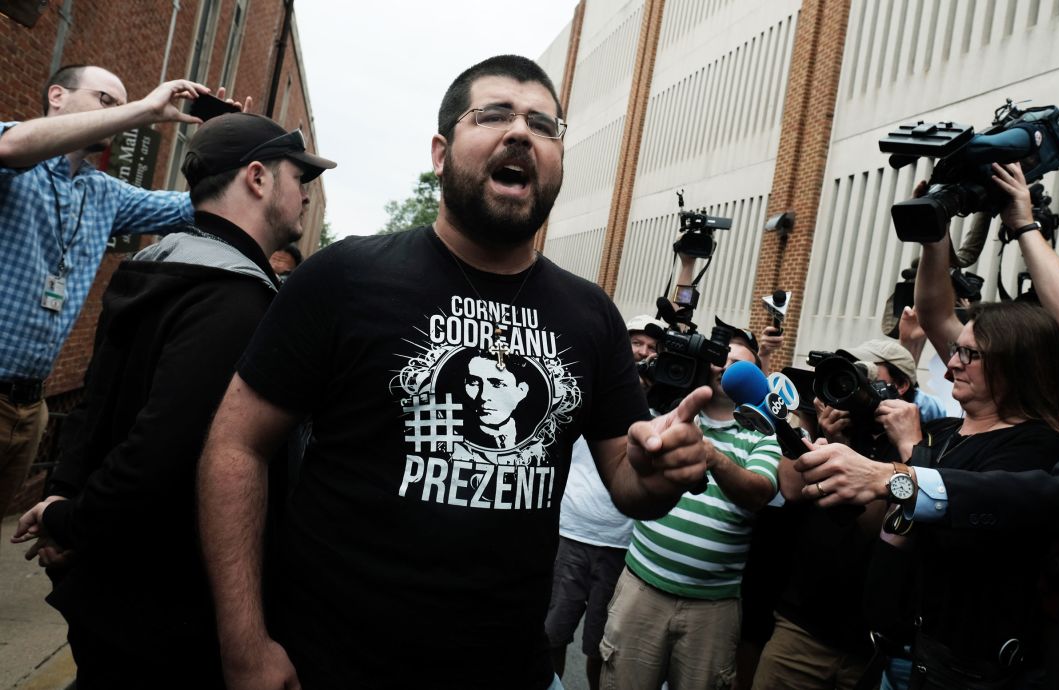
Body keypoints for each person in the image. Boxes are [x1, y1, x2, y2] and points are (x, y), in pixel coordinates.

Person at [196, 55, 712, 690]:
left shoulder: (591, 315)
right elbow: (236, 445)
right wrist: (244, 643)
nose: (520, 131)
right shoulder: (344, 278)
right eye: (492, 114)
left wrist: (663, 471)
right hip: (331, 664)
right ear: (440, 153)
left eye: (543, 125)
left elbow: (630, 482)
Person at [10, 112, 335, 690]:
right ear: (257, 178)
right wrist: (68, 518)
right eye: (298, 177)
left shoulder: (155, 267)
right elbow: (161, 453)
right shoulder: (235, 303)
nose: (305, 196)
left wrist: (66, 500)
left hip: (112, 602)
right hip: (163, 620)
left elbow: (90, 408)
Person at [0, 64, 226, 540]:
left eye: (120, 105)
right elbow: (11, 147)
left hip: (30, 407)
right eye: (107, 100)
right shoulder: (13, 150)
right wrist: (143, 109)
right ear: (57, 96)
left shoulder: (103, 192)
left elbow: (200, 209)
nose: (118, 113)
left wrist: (228, 144)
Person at [796, 299, 1059, 689]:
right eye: (956, 350)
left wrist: (910, 450)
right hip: (893, 652)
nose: (953, 364)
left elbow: (958, 533)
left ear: (1015, 363)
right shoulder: (941, 431)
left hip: (960, 670)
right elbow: (889, 529)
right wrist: (839, 469)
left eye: (969, 354)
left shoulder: (1037, 448)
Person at [600, 339, 782, 690]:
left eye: (739, 365)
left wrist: (711, 456)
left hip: (713, 608)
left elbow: (759, 491)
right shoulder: (667, 413)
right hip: (642, 588)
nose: (725, 368)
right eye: (721, 359)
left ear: (754, 379)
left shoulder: (763, 434)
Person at [546, 314, 659, 690]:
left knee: (601, 648)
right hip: (571, 536)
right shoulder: (594, 385)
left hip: (619, 545)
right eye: (636, 341)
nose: (642, 351)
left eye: (651, 346)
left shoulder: (661, 408)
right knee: (551, 636)